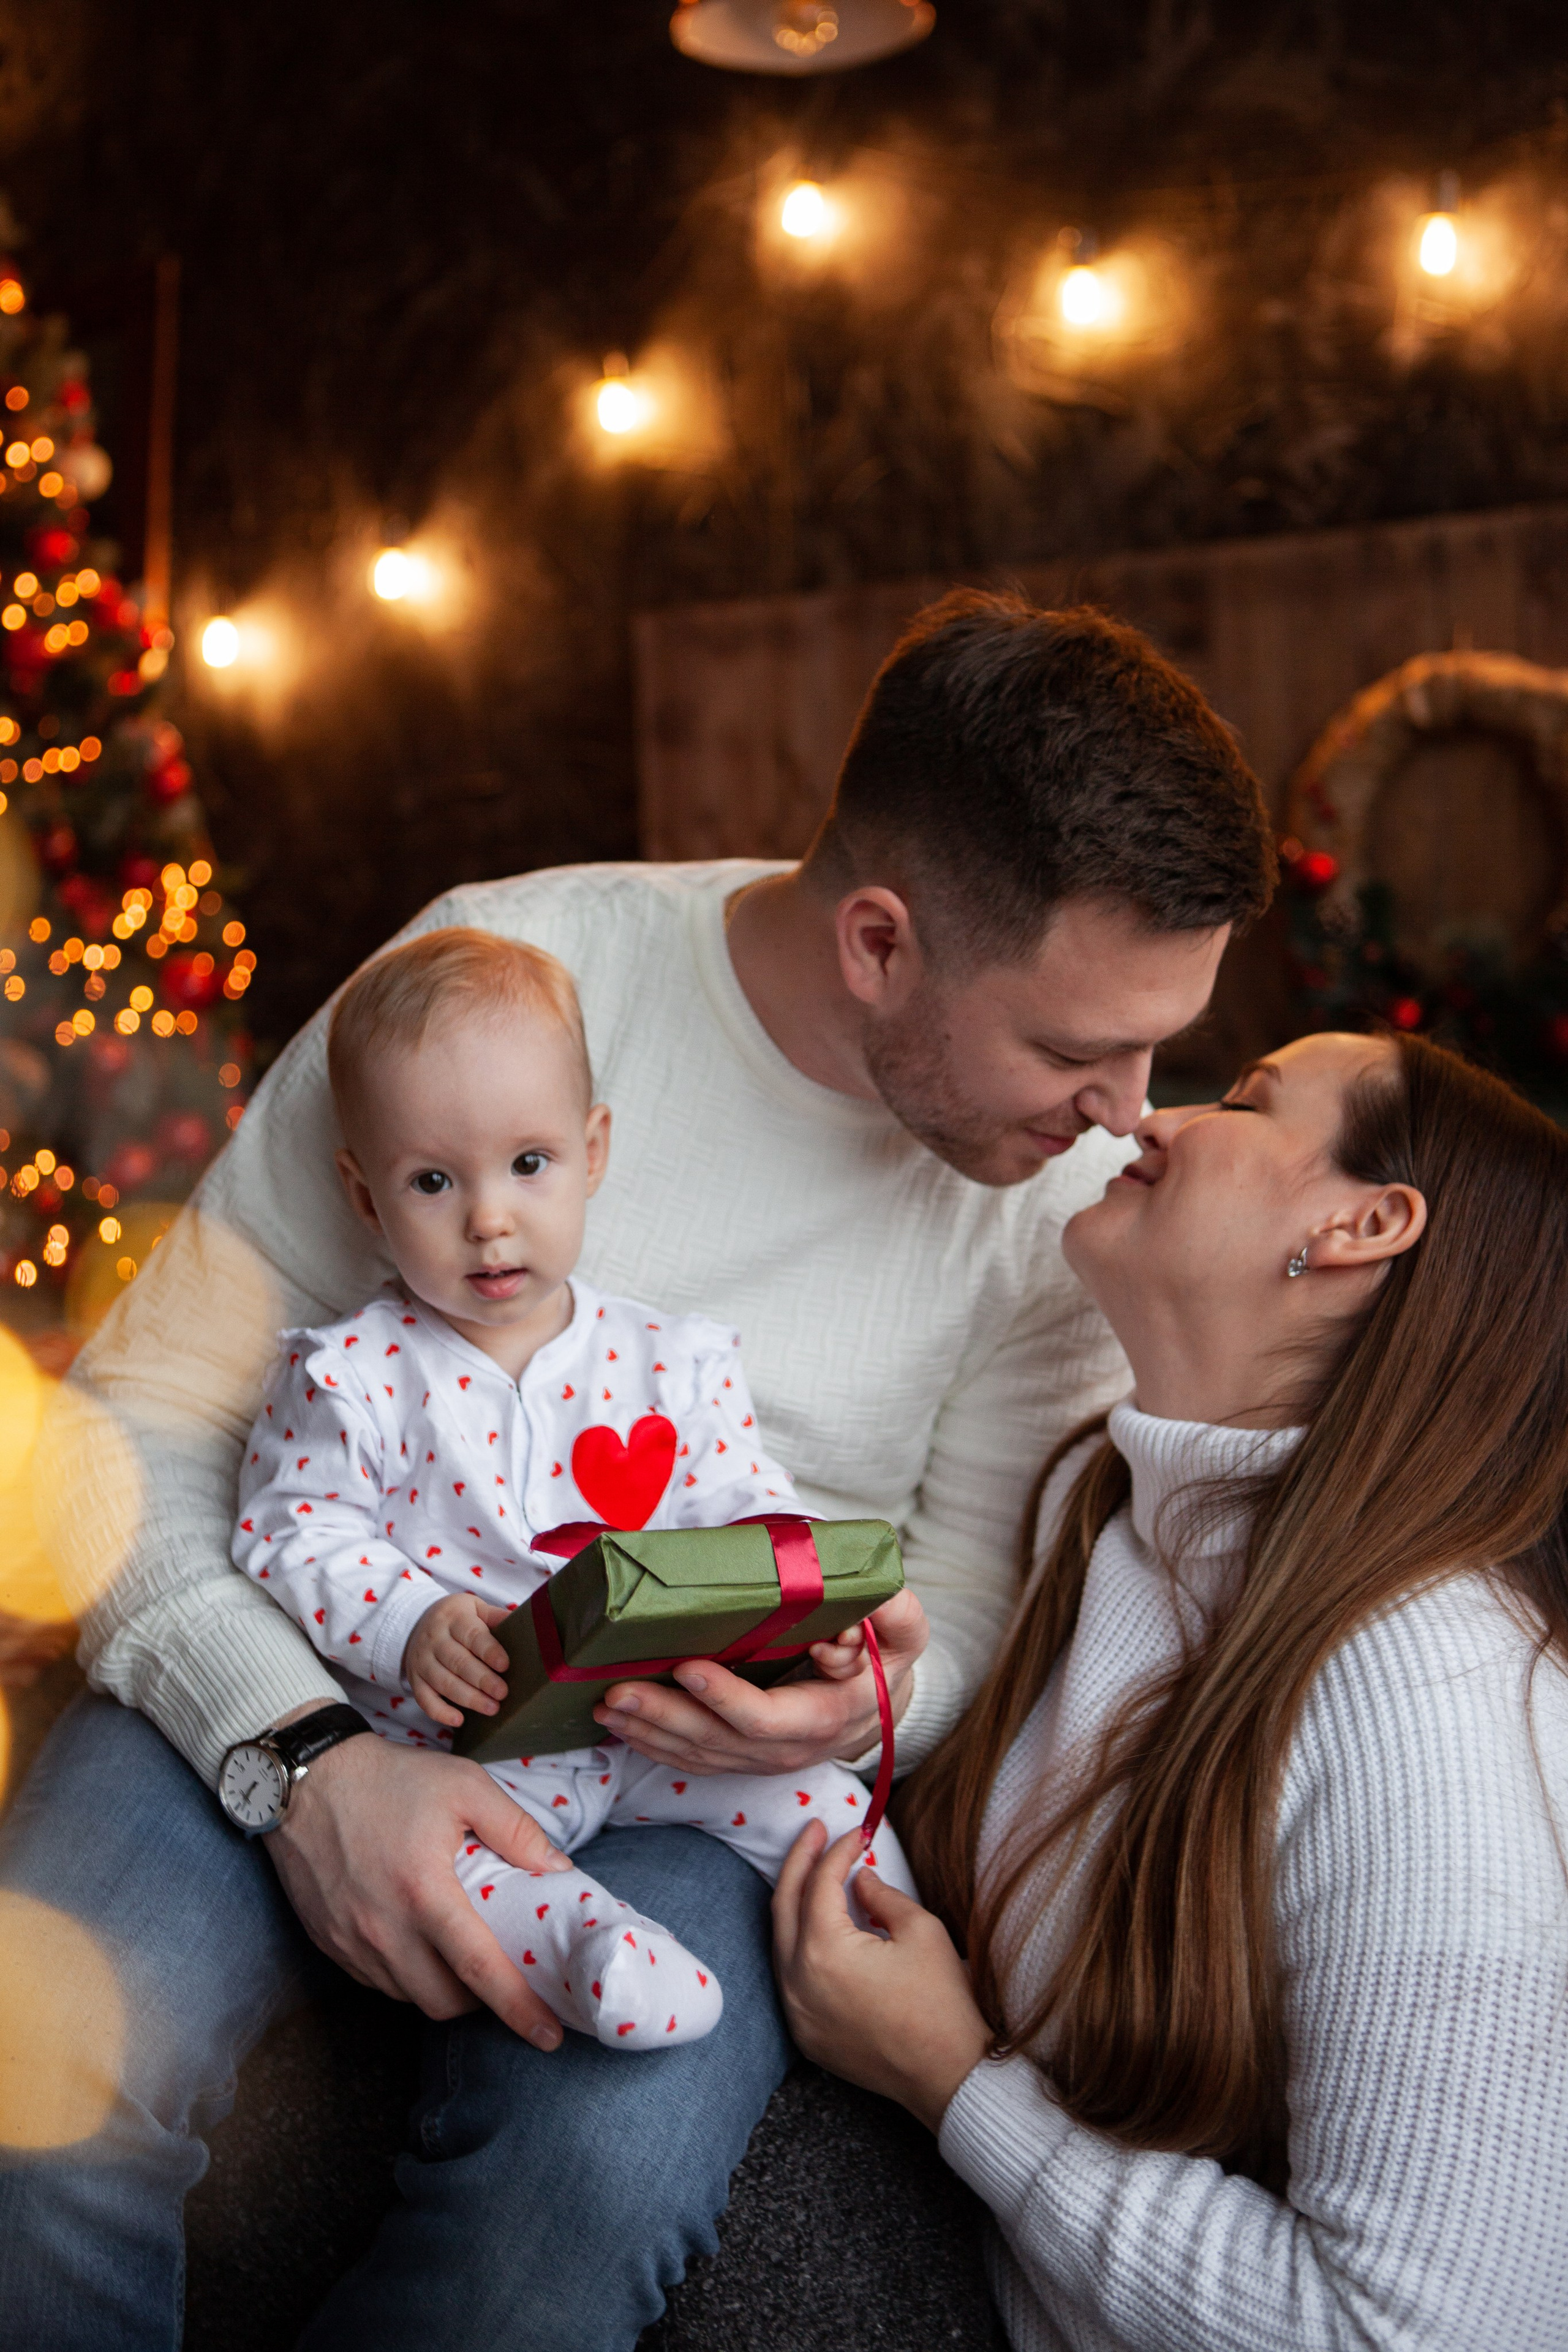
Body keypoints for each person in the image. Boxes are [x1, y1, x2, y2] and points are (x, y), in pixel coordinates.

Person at [0, 589, 1274, 2350]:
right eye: (1078, 1052)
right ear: (882, 946)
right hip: (311, 1643)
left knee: (576, 2214)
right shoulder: (491, 977)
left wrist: (866, 1699)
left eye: (1155, 1047)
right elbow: (135, 1417)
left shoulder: (1058, 1208)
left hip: (686, 1791)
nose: (1133, 1114)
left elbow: (969, 1581)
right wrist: (299, 1763)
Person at [775, 1029, 1568, 2351]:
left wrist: (952, 2080)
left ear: (1360, 1224)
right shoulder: (1114, 1508)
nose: (1151, 1117)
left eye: (1247, 1102)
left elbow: (1417, 2336)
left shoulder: (1427, 1699)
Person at [233, 925, 914, 2052]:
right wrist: (410, 1620)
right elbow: (290, 1533)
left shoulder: (672, 1361)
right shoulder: (353, 1375)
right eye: (433, 1181)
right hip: (473, 1749)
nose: (489, 1218)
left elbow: (739, 1500)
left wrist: (803, 1617)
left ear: (593, 1151)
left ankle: (880, 1957)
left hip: (658, 1725)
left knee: (834, 1811)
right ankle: (582, 1946)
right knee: (457, 1868)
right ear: (364, 1196)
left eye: (529, 1165)